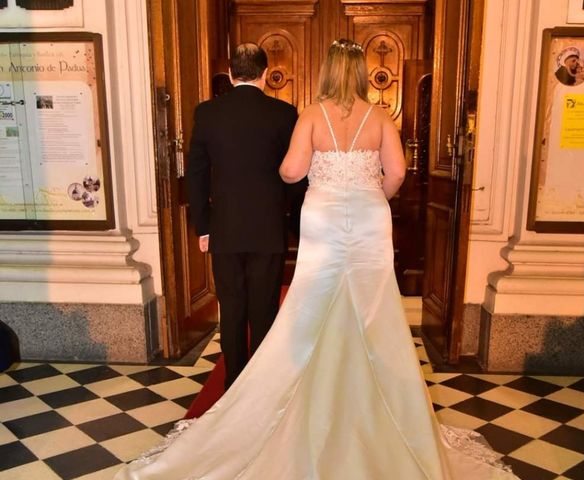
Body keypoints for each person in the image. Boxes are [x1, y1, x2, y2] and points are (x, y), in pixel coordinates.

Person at [115, 39, 519, 480]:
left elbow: (291, 171)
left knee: (313, 300)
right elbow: (399, 172)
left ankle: (285, 391)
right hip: (368, 217)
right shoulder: (380, 115)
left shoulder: (310, 113)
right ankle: (374, 401)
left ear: (327, 71)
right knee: (373, 305)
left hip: (324, 217)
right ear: (362, 73)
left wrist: (320, 177)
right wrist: (370, 195)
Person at [186, 43, 298, 390]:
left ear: (232, 74)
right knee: (264, 307)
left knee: (232, 308)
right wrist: (294, 225)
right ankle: (262, 385)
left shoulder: (207, 113)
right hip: (269, 229)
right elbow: (295, 176)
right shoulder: (284, 113)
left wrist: (203, 226)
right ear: (266, 76)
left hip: (225, 229)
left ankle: (234, 384)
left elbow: (197, 174)